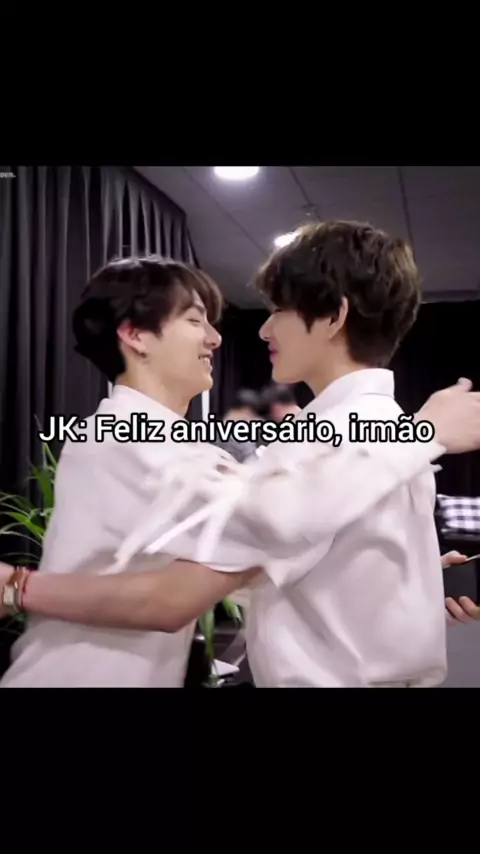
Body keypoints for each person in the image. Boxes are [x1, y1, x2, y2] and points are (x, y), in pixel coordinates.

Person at [1, 229, 480, 687]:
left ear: (333, 317)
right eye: (195, 321)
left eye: (278, 308)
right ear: (136, 337)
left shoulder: (342, 436)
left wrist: (400, 576)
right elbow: (228, 558)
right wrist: (422, 436)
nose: (222, 337)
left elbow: (274, 537)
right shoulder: (126, 437)